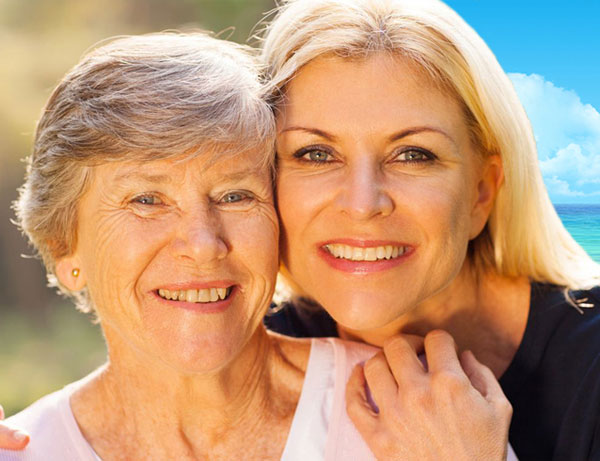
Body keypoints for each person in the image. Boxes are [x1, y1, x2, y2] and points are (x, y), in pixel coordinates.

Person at [0, 31, 478, 461]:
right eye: (147, 200)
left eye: (235, 195)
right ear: (65, 247)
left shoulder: (416, 416)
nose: (204, 245)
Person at [257, 0, 600, 459]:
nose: (362, 204)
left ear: (482, 191)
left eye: (413, 154)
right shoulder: (240, 360)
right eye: (315, 153)